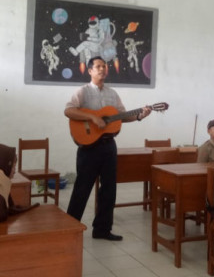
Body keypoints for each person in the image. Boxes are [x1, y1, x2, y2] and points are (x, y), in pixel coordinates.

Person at [64, 56, 152, 241]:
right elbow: (69, 111)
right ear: (90, 71)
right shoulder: (83, 91)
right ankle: (69, 229)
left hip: (108, 146)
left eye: (104, 66)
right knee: (82, 188)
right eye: (98, 67)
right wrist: (92, 118)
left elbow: (121, 117)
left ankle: (102, 230)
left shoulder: (112, 94)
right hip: (88, 147)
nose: (102, 69)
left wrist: (139, 116)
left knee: (109, 189)